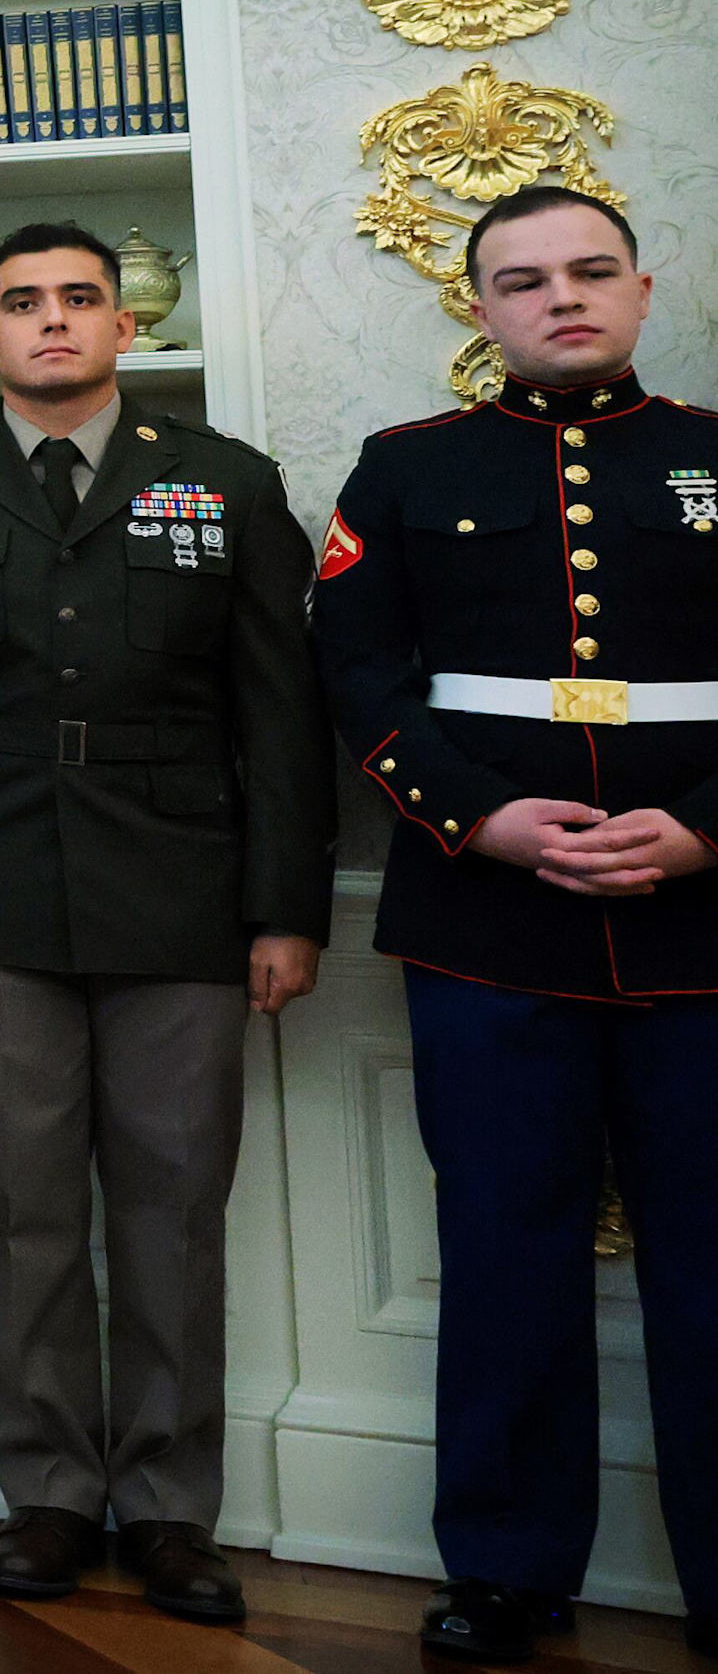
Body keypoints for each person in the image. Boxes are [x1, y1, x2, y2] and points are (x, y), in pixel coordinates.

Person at [0, 222, 328, 1623]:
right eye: (19, 304)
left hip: (182, 897)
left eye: (77, 301)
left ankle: (172, 1508)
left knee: (174, 1211)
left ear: (124, 326)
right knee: (25, 1209)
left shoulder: (225, 484)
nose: (49, 322)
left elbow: (279, 715)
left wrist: (284, 909)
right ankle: (51, 1494)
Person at [311, 186, 713, 1664]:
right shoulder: (407, 470)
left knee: (713, 1266)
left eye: (589, 272)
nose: (561, 298)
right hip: (488, 927)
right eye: (523, 279)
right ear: (476, 306)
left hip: (703, 929)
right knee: (502, 1256)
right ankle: (501, 1570)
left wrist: (700, 829)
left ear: (639, 287)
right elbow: (355, 674)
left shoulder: (710, 458)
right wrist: (474, 816)